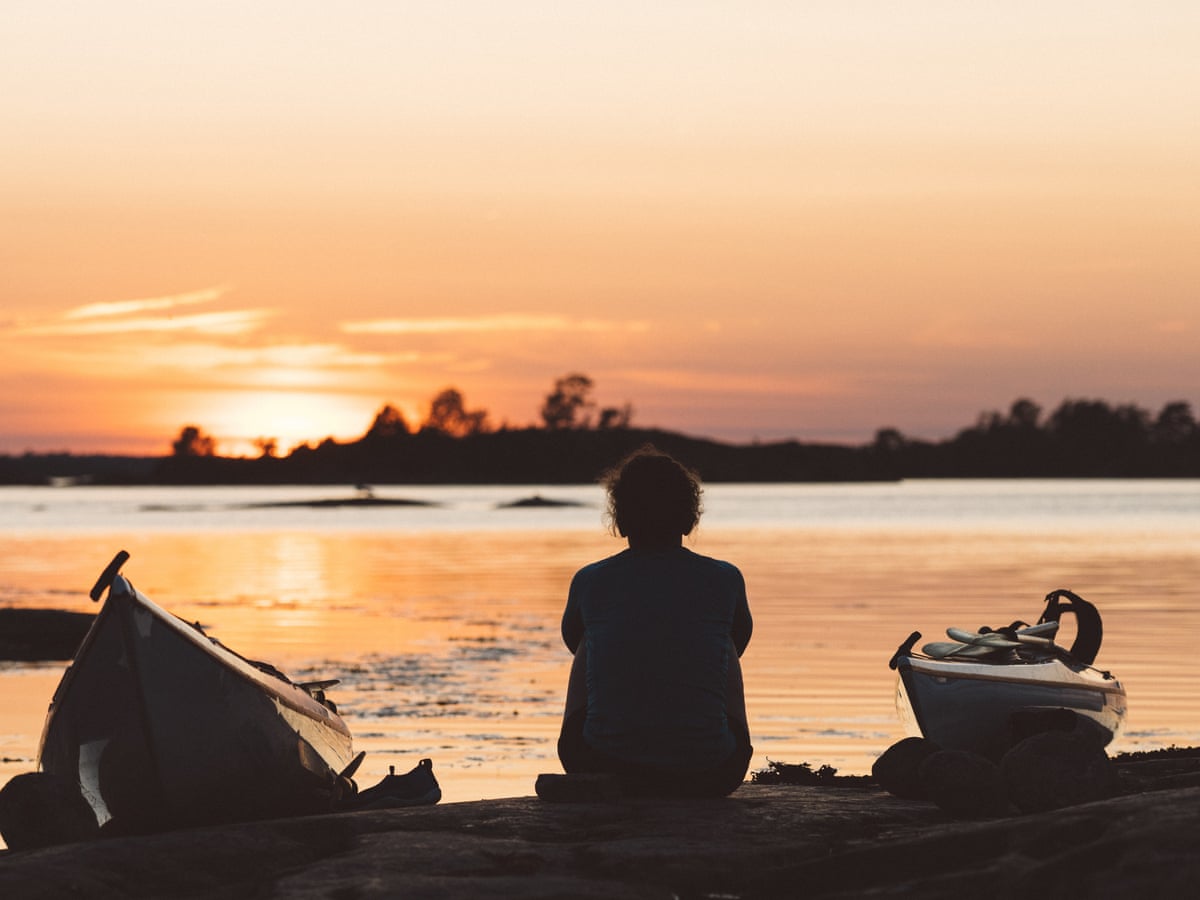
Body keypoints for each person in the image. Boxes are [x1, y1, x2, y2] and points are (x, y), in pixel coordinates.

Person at [557, 446, 753, 797]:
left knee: (591, 639)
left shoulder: (590, 580)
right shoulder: (725, 578)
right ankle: (698, 739)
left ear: (620, 519)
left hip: (597, 762)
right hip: (713, 772)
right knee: (724, 642)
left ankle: (617, 741)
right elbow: (741, 640)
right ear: (689, 517)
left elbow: (572, 640)